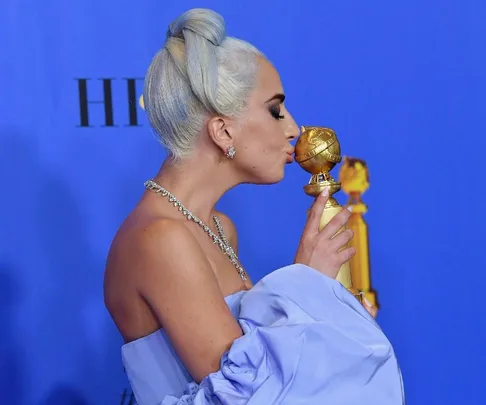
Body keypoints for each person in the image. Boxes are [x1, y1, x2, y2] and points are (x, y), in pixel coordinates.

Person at [104, 8, 404, 405]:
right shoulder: (160, 238)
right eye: (275, 109)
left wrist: (332, 315)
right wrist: (306, 285)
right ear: (223, 129)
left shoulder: (219, 228)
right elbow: (246, 394)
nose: (294, 129)